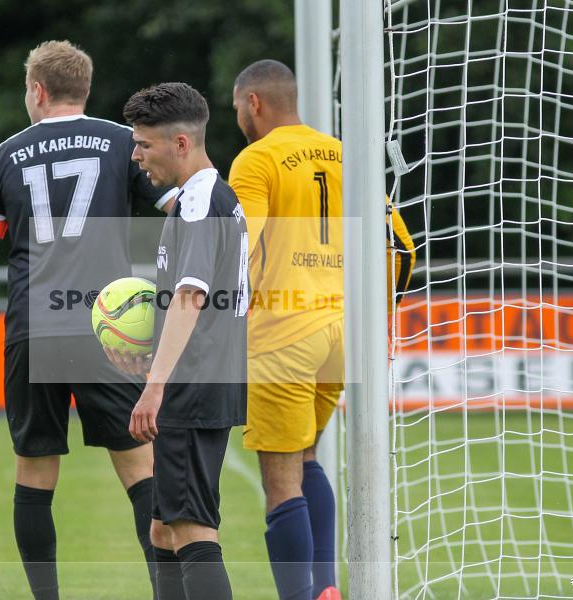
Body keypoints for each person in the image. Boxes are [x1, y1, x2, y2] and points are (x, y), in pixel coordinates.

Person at [0, 40, 177, 600]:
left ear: (37, 90)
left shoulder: (3, 157)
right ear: (85, 88)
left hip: (34, 330)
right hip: (108, 330)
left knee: (35, 476)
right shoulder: (122, 143)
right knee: (141, 471)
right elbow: (182, 209)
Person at [228, 59, 416, 600]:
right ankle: (327, 588)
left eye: (237, 106)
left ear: (254, 103)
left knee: (280, 478)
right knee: (307, 454)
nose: (238, 116)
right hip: (343, 333)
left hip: (283, 331)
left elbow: (239, 249)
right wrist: (373, 314)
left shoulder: (256, 159)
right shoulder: (343, 153)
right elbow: (401, 246)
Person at [108, 82, 248, 600]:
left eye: (144, 145)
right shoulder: (201, 198)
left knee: (192, 531)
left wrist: (155, 385)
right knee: (163, 530)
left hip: (193, 385)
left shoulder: (200, 203)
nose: (136, 156)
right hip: (199, 377)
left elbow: (191, 298)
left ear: (181, 143)